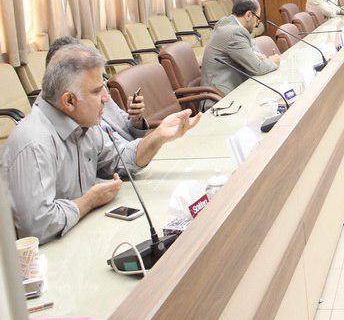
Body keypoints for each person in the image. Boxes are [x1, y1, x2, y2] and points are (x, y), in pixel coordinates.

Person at [2, 44, 201, 243]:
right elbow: (37, 226)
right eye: (97, 91)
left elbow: (121, 160)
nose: (106, 98)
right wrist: (88, 201)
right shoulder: (34, 143)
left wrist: (158, 136)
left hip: (82, 236)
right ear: (69, 101)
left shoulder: (83, 122)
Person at [46, 36, 148, 141]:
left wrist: (136, 119)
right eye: (77, 64)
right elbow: (115, 150)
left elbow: (127, 128)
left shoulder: (99, 89)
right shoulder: (70, 119)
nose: (105, 97)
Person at [201, 0, 281, 95]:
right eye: (257, 19)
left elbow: (253, 51)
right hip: (220, 97)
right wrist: (273, 61)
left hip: (227, 89)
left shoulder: (227, 23)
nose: (257, 24)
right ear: (248, 15)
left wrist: (257, 57)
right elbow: (258, 68)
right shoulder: (234, 32)